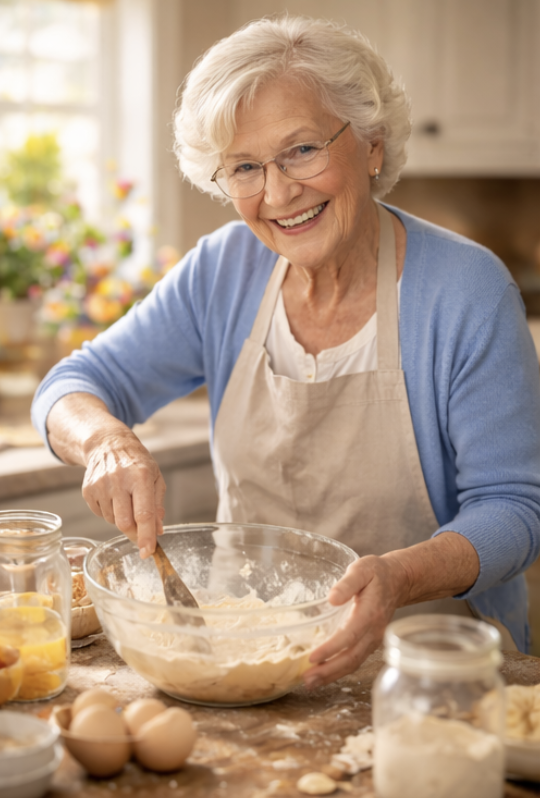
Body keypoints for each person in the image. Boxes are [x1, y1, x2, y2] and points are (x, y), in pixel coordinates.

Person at [32, 16, 540, 689]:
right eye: (245, 167)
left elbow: (514, 508)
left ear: (373, 145)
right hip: (243, 661)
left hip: (432, 671)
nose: (277, 194)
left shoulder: (466, 291)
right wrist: (104, 441)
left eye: (302, 150)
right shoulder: (222, 271)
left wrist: (397, 576)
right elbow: (73, 383)